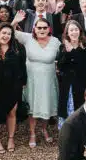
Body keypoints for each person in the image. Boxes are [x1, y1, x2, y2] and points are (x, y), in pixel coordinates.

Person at [14, 12, 61, 147]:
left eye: (44, 28)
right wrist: (15, 22)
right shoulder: (28, 38)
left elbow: (62, 56)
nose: (42, 30)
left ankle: (44, 129)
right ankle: (32, 133)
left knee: (46, 104)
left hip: (48, 80)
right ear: (34, 28)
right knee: (33, 106)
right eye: (39, 27)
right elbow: (10, 33)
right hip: (32, 79)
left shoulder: (55, 41)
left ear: (49, 29)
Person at [0, 23, 27, 153]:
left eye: (9, 33)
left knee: (12, 112)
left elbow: (22, 66)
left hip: (14, 85)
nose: (6, 36)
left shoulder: (18, 48)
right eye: (4, 33)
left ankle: (11, 138)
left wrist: (23, 82)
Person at [56, 20, 86, 128]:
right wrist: (67, 52)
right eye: (71, 30)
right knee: (66, 109)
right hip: (67, 84)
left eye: (76, 29)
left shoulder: (85, 46)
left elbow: (83, 66)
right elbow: (60, 66)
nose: (74, 32)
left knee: (80, 109)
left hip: (81, 84)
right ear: (67, 33)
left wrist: (72, 52)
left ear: (80, 31)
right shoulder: (63, 47)